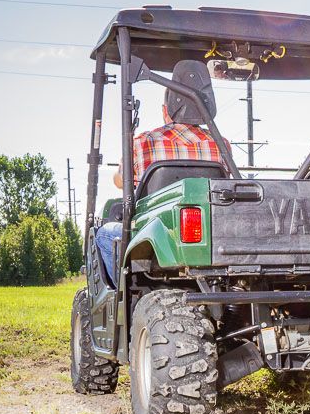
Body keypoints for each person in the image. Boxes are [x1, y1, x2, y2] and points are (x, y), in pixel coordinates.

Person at [96, 60, 226, 285]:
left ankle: (123, 291)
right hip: (208, 235)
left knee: (103, 233)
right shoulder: (221, 144)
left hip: (155, 233)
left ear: (167, 110)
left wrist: (121, 168)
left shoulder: (143, 142)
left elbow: (121, 181)